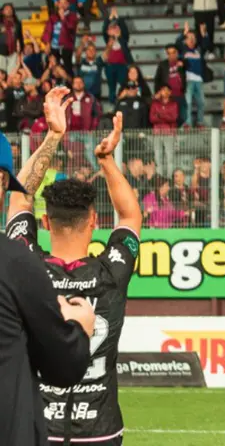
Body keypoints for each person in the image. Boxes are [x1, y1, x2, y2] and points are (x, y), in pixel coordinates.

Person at [5, 88, 141, 446]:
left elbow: (20, 197)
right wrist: (107, 160)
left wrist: (53, 135)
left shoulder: (26, 265)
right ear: (94, 220)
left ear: (45, 223)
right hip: (101, 431)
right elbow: (129, 215)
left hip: (39, 428)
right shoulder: (112, 273)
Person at [0, 128, 95, 446]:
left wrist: (53, 135)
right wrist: (79, 328)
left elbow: (19, 200)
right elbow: (63, 367)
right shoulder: (15, 262)